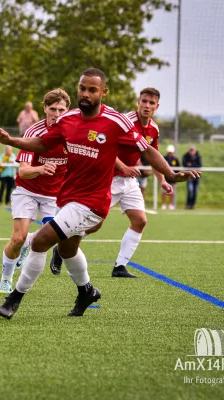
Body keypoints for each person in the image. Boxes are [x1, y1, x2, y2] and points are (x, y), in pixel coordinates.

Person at [0, 68, 200, 319]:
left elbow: (148, 151)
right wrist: (10, 140)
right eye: (82, 88)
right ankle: (86, 291)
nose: (86, 94)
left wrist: (172, 175)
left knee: (40, 241)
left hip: (93, 203)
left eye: (92, 90)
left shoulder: (116, 121)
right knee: (67, 251)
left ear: (103, 92)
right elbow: (42, 144)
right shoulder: (69, 120)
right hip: (67, 198)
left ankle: (14, 298)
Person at [50, 87, 172, 279]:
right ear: (138, 102)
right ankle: (61, 246)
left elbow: (152, 156)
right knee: (95, 225)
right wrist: (123, 166)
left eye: (151, 103)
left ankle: (120, 266)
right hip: (108, 178)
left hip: (129, 181)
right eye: (144, 101)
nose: (147, 106)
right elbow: (103, 146)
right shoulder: (124, 121)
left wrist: (163, 180)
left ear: (157, 106)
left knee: (140, 221)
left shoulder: (153, 129)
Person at [0, 88, 70, 294]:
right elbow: (23, 171)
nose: (57, 114)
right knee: (17, 239)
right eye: (53, 109)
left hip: (54, 196)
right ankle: (6, 278)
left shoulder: (72, 135)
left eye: (61, 110)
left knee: (51, 239)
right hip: (27, 190)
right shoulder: (34, 132)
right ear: (45, 109)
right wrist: (40, 169)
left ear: (68, 110)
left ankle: (30, 241)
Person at [162, 144, 179, 210]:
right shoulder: (164, 158)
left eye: (171, 152)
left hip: (172, 179)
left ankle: (170, 204)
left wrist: (176, 177)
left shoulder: (175, 159)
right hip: (165, 179)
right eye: (169, 152)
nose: (170, 153)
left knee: (172, 192)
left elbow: (178, 168)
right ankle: (163, 204)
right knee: (163, 192)